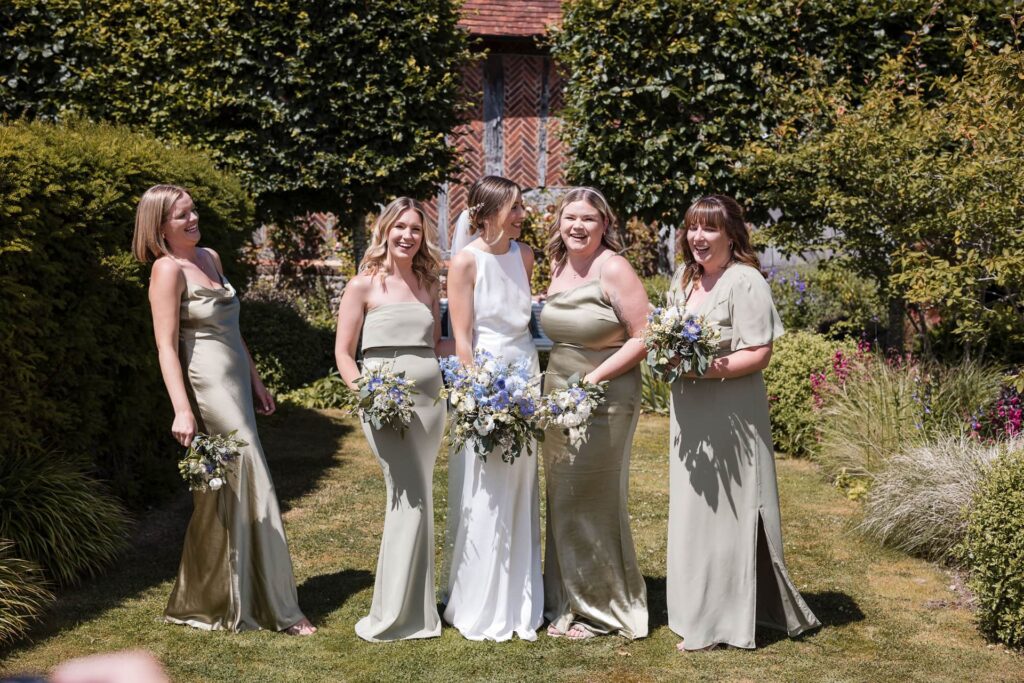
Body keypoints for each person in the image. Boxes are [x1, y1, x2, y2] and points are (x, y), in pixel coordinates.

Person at [132, 184, 314, 636]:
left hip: (235, 378)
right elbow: (165, 347)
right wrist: (182, 409)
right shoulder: (166, 270)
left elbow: (234, 328)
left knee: (223, 492)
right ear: (159, 227)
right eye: (181, 217)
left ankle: (212, 596)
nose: (193, 220)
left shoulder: (210, 257)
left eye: (192, 211)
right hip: (207, 383)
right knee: (251, 471)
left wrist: (256, 380)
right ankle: (282, 609)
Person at [665, 195, 820, 651]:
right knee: (694, 511)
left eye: (709, 229)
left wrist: (701, 369)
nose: (698, 237)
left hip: (731, 412)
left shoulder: (745, 281)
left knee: (726, 512)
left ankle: (721, 621)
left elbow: (758, 353)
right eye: (693, 227)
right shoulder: (683, 279)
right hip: (689, 415)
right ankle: (692, 610)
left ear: (732, 234)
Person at [540, 187, 650, 641]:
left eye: (588, 218)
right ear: (559, 223)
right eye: (570, 218)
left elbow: (644, 336)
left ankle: (603, 609)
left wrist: (592, 380)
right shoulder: (557, 266)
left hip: (605, 397)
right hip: (557, 392)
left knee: (595, 499)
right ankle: (565, 599)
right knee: (563, 496)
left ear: (604, 224)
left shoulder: (614, 268)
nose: (578, 226)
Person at [334, 197, 445, 642]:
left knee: (421, 497)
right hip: (385, 402)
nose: (407, 236)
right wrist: (370, 394)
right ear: (385, 231)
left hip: (430, 403)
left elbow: (435, 344)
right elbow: (344, 354)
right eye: (400, 227)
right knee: (407, 496)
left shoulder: (427, 283)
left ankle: (417, 610)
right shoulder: (362, 285)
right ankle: (394, 614)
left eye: (415, 229)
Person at [441, 175, 543, 641]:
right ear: (486, 213)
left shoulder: (524, 256)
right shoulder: (464, 262)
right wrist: (477, 393)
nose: (523, 215)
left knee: (520, 481)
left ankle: (519, 593)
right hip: (486, 377)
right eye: (515, 208)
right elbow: (463, 338)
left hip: (525, 373)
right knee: (484, 485)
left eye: (522, 207)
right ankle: (476, 596)